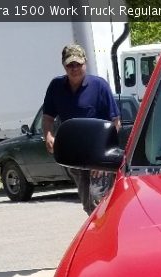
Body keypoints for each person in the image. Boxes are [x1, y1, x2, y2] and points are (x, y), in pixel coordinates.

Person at [42, 44, 120, 214]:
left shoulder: (99, 86)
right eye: (70, 65)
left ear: (85, 63)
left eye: (78, 64)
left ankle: (107, 229)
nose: (74, 68)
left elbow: (116, 122)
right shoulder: (56, 87)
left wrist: (103, 157)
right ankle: (102, 228)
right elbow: (47, 117)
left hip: (98, 153)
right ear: (64, 65)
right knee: (87, 204)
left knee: (98, 199)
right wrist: (48, 135)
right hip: (74, 155)